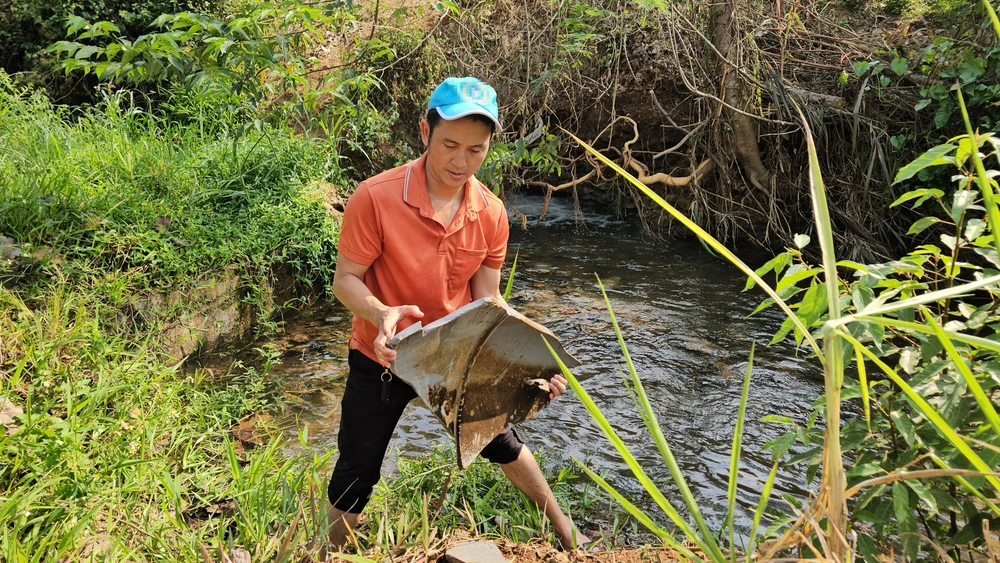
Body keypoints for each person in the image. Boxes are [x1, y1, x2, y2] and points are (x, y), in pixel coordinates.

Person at [324, 77, 590, 556]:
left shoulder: (491, 213)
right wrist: (381, 312)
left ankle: (564, 529)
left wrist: (533, 361)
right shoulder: (375, 197)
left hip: (454, 356)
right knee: (356, 470)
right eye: (449, 144)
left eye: (475, 149)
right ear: (425, 131)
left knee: (503, 442)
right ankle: (333, 552)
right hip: (382, 355)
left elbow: (489, 303)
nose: (460, 161)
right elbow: (345, 279)